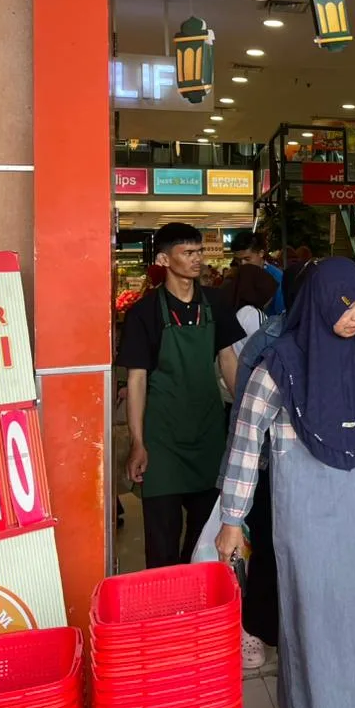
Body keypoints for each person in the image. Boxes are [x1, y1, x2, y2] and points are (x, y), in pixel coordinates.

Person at [216, 257, 355, 708]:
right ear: (319, 302)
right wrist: (232, 518)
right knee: (310, 612)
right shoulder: (278, 361)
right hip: (306, 505)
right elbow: (245, 439)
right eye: (348, 305)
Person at [117, 223, 244, 569]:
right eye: (187, 253)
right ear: (163, 259)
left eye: (199, 251)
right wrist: (138, 442)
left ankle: (197, 598)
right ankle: (166, 600)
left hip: (208, 435)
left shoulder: (216, 303)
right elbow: (137, 380)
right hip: (162, 440)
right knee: (162, 543)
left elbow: (228, 359)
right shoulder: (144, 312)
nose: (197, 259)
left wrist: (247, 414)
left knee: (205, 539)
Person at [221, 261, 314, 671]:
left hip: (320, 471)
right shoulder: (268, 339)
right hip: (271, 466)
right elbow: (246, 417)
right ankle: (256, 627)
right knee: (270, 549)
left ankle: (299, 629)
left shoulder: (349, 336)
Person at [232, 230, 285, 315]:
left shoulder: (277, 277)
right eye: (238, 260)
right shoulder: (238, 277)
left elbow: (281, 314)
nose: (243, 263)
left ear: (261, 253)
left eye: (247, 259)